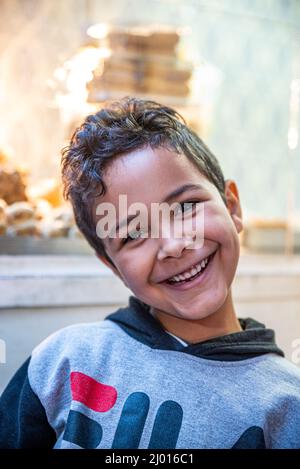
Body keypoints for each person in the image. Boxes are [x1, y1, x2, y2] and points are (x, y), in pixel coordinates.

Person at [0, 97, 299, 449]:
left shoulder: (287, 404)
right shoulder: (63, 364)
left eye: (186, 207)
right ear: (112, 265)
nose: (173, 245)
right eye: (135, 233)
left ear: (232, 207)